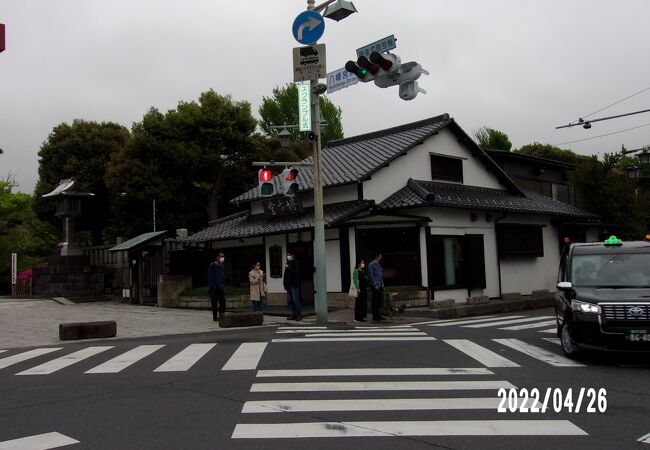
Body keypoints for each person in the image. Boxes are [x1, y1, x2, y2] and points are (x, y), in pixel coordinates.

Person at [283, 250, 302, 321]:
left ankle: (299, 314)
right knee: (291, 300)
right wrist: (284, 284)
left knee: (295, 299)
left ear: (293, 255)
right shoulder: (288, 263)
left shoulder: (296, 263)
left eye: (289, 255)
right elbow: (285, 274)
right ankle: (294, 314)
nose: (288, 256)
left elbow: (296, 273)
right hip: (289, 284)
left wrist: (288, 268)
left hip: (294, 284)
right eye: (287, 255)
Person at [367, 252, 386, 321]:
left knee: (379, 301)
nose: (381, 257)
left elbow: (380, 276)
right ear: (377, 257)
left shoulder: (378, 265)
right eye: (380, 256)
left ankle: (379, 315)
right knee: (374, 301)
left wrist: (382, 285)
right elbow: (371, 276)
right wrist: (375, 284)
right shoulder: (371, 265)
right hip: (375, 286)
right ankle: (375, 316)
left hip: (380, 285)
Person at [207, 251, 226, 321]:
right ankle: (215, 317)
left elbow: (222, 277)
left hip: (220, 287)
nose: (222, 258)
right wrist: (213, 286)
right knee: (214, 303)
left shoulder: (222, 266)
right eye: (221, 256)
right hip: (214, 288)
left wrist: (222, 285)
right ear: (217, 257)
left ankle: (222, 316)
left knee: (223, 302)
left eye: (223, 257)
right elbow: (210, 277)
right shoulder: (212, 265)